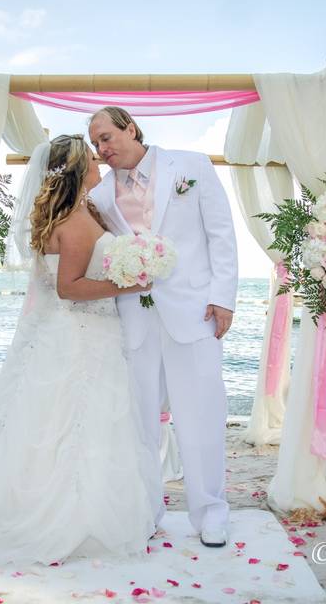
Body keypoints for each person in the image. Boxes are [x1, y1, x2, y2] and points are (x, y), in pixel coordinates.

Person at [0, 135, 159, 566]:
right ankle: (68, 518)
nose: (99, 165)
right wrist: (134, 281)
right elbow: (69, 288)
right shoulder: (74, 222)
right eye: (92, 160)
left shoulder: (75, 212)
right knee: (73, 425)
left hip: (74, 334)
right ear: (79, 171)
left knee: (51, 424)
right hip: (79, 336)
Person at [87, 107, 238, 547]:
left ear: (130, 128)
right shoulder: (99, 195)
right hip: (133, 313)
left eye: (107, 138)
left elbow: (221, 234)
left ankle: (210, 511)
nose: (102, 149)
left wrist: (223, 296)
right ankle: (146, 508)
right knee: (138, 419)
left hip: (195, 310)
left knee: (202, 413)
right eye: (96, 145)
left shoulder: (191, 167)